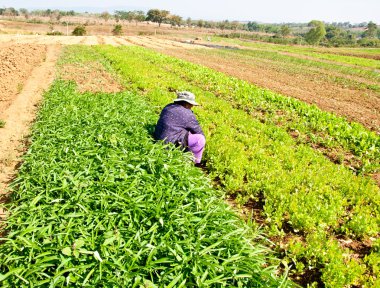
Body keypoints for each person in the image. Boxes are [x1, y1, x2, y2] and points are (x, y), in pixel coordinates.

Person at [154, 91, 206, 165]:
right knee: (200, 139)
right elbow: (198, 131)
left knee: (187, 132)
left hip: (158, 138)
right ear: (186, 104)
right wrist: (203, 146)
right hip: (169, 145)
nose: (192, 106)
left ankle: (187, 154)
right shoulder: (187, 113)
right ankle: (193, 162)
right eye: (191, 104)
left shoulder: (168, 106)